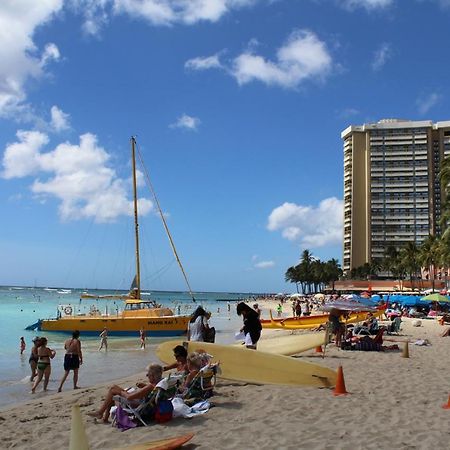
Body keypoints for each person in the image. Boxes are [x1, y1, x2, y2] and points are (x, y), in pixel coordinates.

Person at [88, 364, 163, 423]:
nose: (147, 376)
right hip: (144, 403)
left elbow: (129, 397)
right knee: (114, 390)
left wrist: (120, 392)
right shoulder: (160, 383)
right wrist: (144, 386)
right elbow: (149, 391)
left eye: (148, 375)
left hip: (136, 405)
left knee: (113, 392)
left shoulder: (150, 386)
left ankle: (100, 413)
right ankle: (103, 417)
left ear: (153, 376)